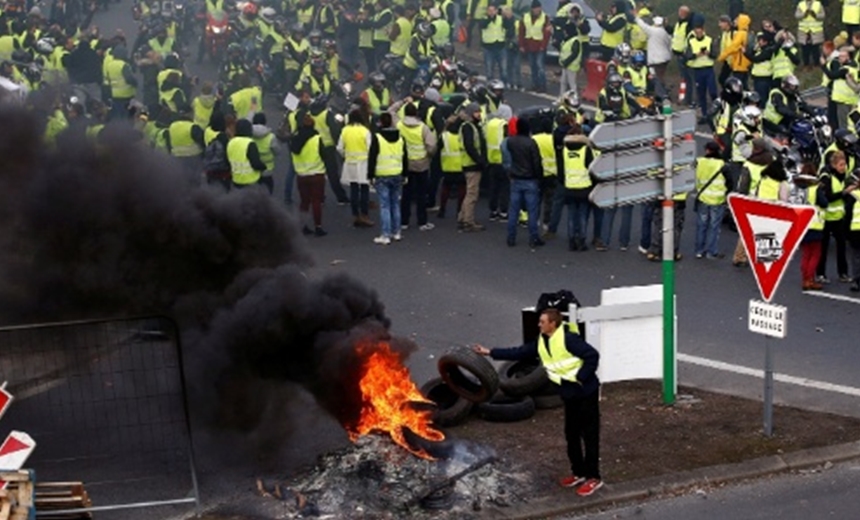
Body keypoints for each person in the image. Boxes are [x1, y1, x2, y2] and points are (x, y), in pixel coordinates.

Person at [472, 308, 602, 497]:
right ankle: (579, 473)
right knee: (571, 434)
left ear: (553, 324)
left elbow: (592, 356)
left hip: (585, 392)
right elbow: (519, 352)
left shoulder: (569, 339)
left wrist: (581, 377)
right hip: (569, 394)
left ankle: (594, 478)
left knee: (589, 435)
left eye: (542, 321)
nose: (539, 324)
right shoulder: (542, 341)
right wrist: (490, 352)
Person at [732, 138, 774, 266]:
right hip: (769, 199)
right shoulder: (772, 162)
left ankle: (740, 257)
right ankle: (764, 257)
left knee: (747, 230)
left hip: (752, 199)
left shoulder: (749, 164)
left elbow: (742, 187)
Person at [502, 117, 543, 247]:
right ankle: (533, 237)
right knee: (532, 211)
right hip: (529, 179)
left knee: (514, 210)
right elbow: (536, 162)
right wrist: (539, 177)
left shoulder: (511, 142)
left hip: (516, 178)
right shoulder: (531, 143)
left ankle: (511, 237)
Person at [397, 102, 438, 231]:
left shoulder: (399, 125)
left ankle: (404, 221)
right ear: (416, 113)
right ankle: (422, 222)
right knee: (421, 194)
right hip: (422, 164)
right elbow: (431, 146)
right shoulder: (423, 127)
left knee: (406, 194)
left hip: (406, 164)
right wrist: (429, 156)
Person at [368, 112, 407, 245]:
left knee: (385, 205)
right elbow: (404, 157)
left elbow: (372, 158)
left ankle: (385, 234)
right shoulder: (401, 137)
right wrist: (405, 174)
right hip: (397, 173)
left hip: (382, 174)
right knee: (395, 204)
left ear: (380, 123)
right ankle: (397, 232)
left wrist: (370, 175)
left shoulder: (377, 138)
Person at [558, 124, 596, 252]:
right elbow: (592, 169)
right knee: (582, 215)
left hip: (569, 187)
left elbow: (561, 170)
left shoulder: (564, 150)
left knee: (571, 215)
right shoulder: (585, 150)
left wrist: (564, 182)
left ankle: (571, 241)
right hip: (584, 186)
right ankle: (581, 241)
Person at [817, 144, 852, 283]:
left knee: (841, 246)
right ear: (833, 164)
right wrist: (844, 192)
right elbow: (828, 197)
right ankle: (820, 274)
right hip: (826, 217)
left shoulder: (842, 175)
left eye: (844, 165)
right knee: (823, 247)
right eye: (841, 165)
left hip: (838, 217)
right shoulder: (826, 177)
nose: (844, 168)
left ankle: (843, 273)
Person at [291, 113, 329, 237]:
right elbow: (324, 156)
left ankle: (303, 226)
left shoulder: (294, 139)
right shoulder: (316, 139)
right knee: (316, 201)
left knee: (304, 201)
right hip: (316, 174)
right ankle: (318, 226)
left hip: (301, 175)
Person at [694, 142, 733, 259]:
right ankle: (711, 251)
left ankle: (699, 251)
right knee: (714, 227)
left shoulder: (699, 162)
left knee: (701, 225)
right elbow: (730, 183)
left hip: (703, 198)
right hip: (718, 200)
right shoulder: (723, 165)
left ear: (707, 150)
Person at [338, 109, 374, 228]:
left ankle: (355, 216)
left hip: (350, 163)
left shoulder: (345, 130)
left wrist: (346, 155)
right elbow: (370, 148)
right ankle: (364, 215)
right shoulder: (365, 131)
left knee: (353, 190)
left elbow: (339, 148)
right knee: (364, 190)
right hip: (363, 163)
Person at [458, 102, 487, 232]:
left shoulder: (472, 126)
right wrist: (480, 160)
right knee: (472, 194)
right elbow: (470, 147)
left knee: (469, 193)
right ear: (471, 113)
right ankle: (468, 221)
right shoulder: (468, 127)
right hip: (471, 164)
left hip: (471, 163)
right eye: (476, 112)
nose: (479, 114)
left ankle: (463, 218)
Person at [685, 20, 718, 123]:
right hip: (698, 70)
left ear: (703, 31)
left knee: (713, 92)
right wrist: (696, 54)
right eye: (696, 31)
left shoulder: (709, 40)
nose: (698, 33)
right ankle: (704, 114)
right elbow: (687, 56)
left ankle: (716, 112)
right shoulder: (691, 41)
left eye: (700, 31)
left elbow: (715, 54)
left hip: (708, 69)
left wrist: (709, 53)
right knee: (701, 93)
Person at [486, 105, 511, 223]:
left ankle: (493, 211)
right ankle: (504, 212)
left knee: (493, 188)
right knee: (505, 188)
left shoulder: (490, 123)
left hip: (491, 159)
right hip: (503, 160)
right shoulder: (504, 125)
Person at [519, 0, 550, 93]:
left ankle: (542, 86)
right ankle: (535, 84)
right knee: (533, 67)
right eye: (535, 8)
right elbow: (521, 32)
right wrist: (521, 45)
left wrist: (543, 46)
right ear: (532, 9)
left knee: (540, 67)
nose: (536, 10)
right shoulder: (525, 17)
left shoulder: (545, 17)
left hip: (540, 45)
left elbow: (546, 33)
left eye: (538, 8)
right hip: (529, 45)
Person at [228, 118, 267, 189]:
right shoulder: (250, 143)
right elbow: (256, 163)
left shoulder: (231, 142)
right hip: (251, 180)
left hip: (236, 179)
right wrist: (264, 167)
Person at [634, 14, 672, 88]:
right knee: (661, 76)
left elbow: (643, 26)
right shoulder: (665, 32)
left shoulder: (653, 31)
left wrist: (635, 17)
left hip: (656, 60)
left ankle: (662, 94)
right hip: (665, 58)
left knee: (657, 79)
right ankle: (664, 91)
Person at [716, 13, 752, 88]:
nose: (735, 22)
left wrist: (722, 56)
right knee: (743, 85)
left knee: (738, 85)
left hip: (739, 63)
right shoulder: (746, 33)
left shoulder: (740, 33)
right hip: (742, 63)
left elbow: (733, 47)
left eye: (737, 20)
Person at [252, 112, 280, 194]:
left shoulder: (249, 134)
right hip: (267, 168)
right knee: (268, 190)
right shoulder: (271, 137)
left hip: (253, 168)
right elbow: (277, 151)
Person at [795, 0, 825, 68]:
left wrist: (815, 15)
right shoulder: (801, 4)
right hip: (804, 31)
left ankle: (816, 64)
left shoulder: (818, 4)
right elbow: (796, 15)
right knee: (805, 49)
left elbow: (823, 15)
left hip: (815, 31)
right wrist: (803, 15)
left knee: (815, 49)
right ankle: (806, 64)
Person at [481, 4, 506, 83]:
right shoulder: (484, 19)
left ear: (496, 11)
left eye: (493, 10)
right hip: (488, 48)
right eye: (489, 11)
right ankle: (490, 85)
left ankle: (504, 84)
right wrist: (490, 19)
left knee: (503, 69)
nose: (491, 12)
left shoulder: (501, 19)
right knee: (489, 69)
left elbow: (508, 27)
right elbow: (483, 26)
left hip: (500, 46)